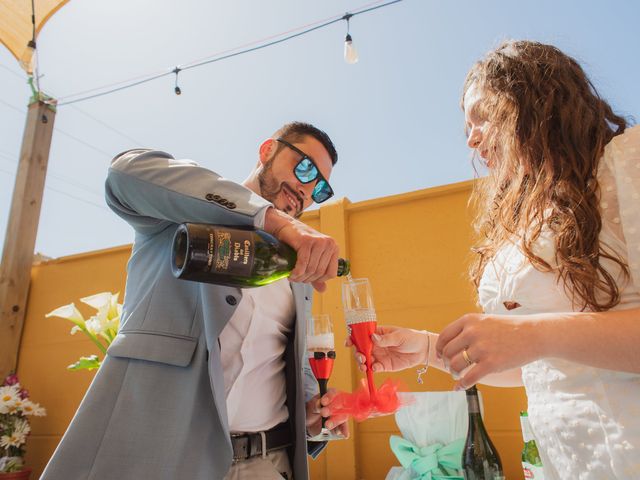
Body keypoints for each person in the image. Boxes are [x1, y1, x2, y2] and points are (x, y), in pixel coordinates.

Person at [350, 41, 640, 479]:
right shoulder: (530, 215)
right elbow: (535, 368)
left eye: (481, 115)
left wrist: (535, 334)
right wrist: (430, 348)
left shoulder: (627, 162)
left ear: (533, 99)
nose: (470, 137)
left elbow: (540, 340)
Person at [41, 121, 349, 480]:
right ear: (268, 150)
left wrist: (312, 414)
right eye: (305, 167)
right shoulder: (181, 209)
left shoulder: (300, 276)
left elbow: (288, 371)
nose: (306, 188)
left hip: (269, 463)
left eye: (320, 188)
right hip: (162, 460)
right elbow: (123, 174)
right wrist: (272, 220)